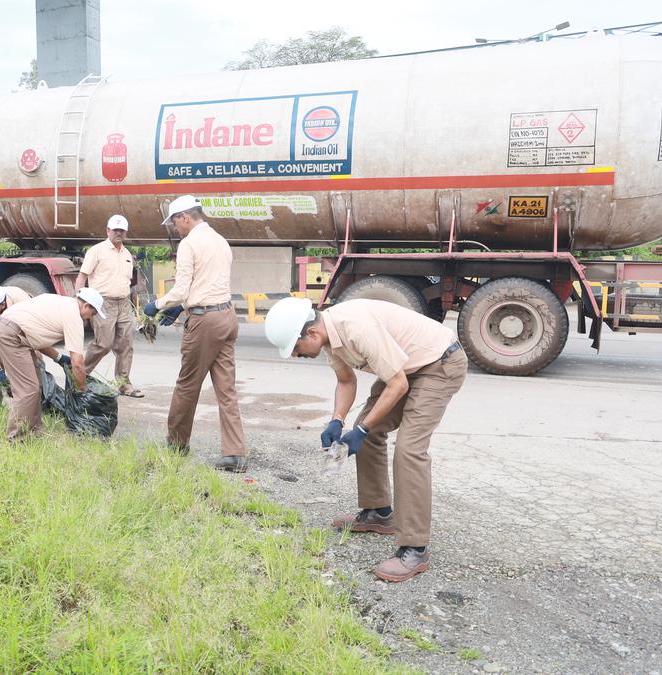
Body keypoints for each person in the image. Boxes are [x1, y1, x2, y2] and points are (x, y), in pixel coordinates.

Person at [264, 296, 468, 583]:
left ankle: (415, 547)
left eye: (296, 349)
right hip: (408, 367)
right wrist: (337, 419)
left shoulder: (356, 328)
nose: (297, 355)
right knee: (366, 429)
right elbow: (346, 381)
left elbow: (397, 385)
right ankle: (379, 511)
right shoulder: (329, 338)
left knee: (409, 450)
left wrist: (361, 431)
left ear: (310, 333)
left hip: (439, 364)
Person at [143, 195, 247, 473]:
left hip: (205, 323)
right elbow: (208, 282)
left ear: (185, 217)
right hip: (227, 316)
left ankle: (176, 445)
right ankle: (235, 453)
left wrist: (156, 305)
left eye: (175, 222)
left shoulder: (189, 244)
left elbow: (181, 289)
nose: (175, 229)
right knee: (226, 389)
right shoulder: (220, 241)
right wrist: (180, 310)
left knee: (187, 385)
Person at [0, 288, 106, 441]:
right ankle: (15, 439)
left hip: (11, 329)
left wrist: (59, 358)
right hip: (11, 335)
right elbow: (78, 363)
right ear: (86, 306)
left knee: (37, 384)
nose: (90, 318)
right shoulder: (73, 316)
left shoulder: (61, 301)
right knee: (27, 389)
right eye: (93, 314)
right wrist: (83, 390)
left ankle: (34, 431)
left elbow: (35, 334)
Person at [77, 213, 142, 397]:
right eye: (115, 230)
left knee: (126, 345)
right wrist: (79, 302)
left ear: (126, 233)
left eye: (122, 230)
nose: (118, 233)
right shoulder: (96, 251)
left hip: (124, 303)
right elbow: (82, 276)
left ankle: (124, 384)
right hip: (103, 303)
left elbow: (130, 283)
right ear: (108, 231)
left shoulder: (127, 254)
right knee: (103, 344)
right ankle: (80, 375)